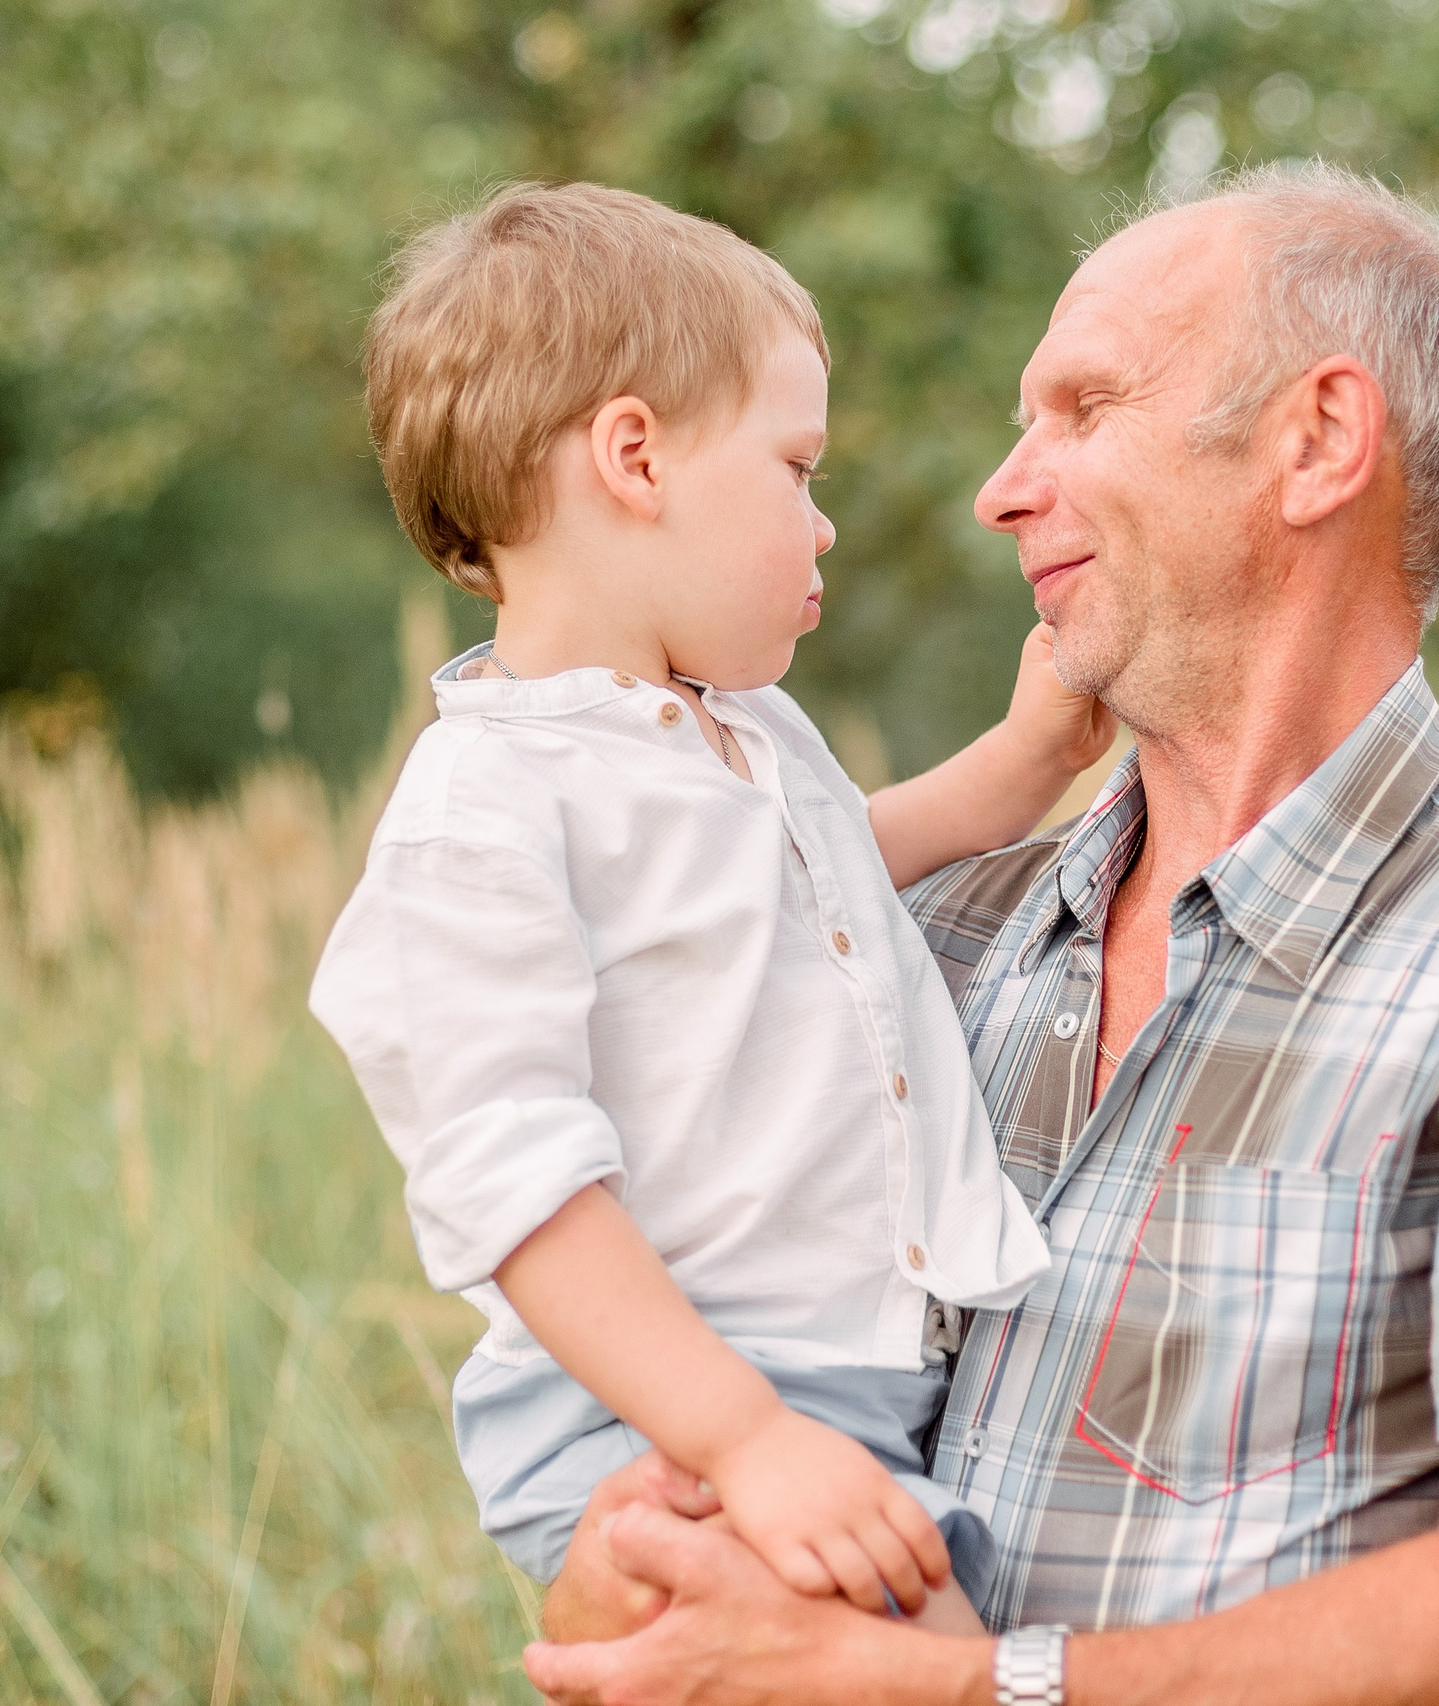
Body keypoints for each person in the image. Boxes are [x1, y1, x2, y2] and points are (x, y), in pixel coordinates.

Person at [520, 160, 1439, 1706]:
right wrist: (619, 1565)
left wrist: (964, 1688)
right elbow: (689, 1422)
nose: (1002, 488)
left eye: (1082, 407)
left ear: (1317, 440)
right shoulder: (921, 938)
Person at [309, 182, 1118, 1635]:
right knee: (925, 1659)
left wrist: (1027, 762)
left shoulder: (741, 729)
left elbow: (827, 878)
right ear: (635, 456)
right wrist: (739, 1436)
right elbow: (518, 1184)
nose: (822, 527)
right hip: (661, 1407)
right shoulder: (484, 807)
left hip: (837, 1386)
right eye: (797, 467)